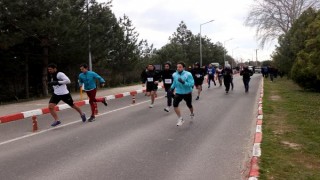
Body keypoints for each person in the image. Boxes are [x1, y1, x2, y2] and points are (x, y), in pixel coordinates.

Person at [170, 62, 195, 126]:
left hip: (187, 92)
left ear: (183, 68)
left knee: (189, 105)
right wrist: (171, 88)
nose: (178, 68)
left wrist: (184, 82)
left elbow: (191, 84)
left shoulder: (188, 74)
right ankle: (180, 118)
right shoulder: (174, 74)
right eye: (177, 67)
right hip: (178, 92)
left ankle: (192, 113)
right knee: (175, 105)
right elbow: (174, 82)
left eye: (180, 67)